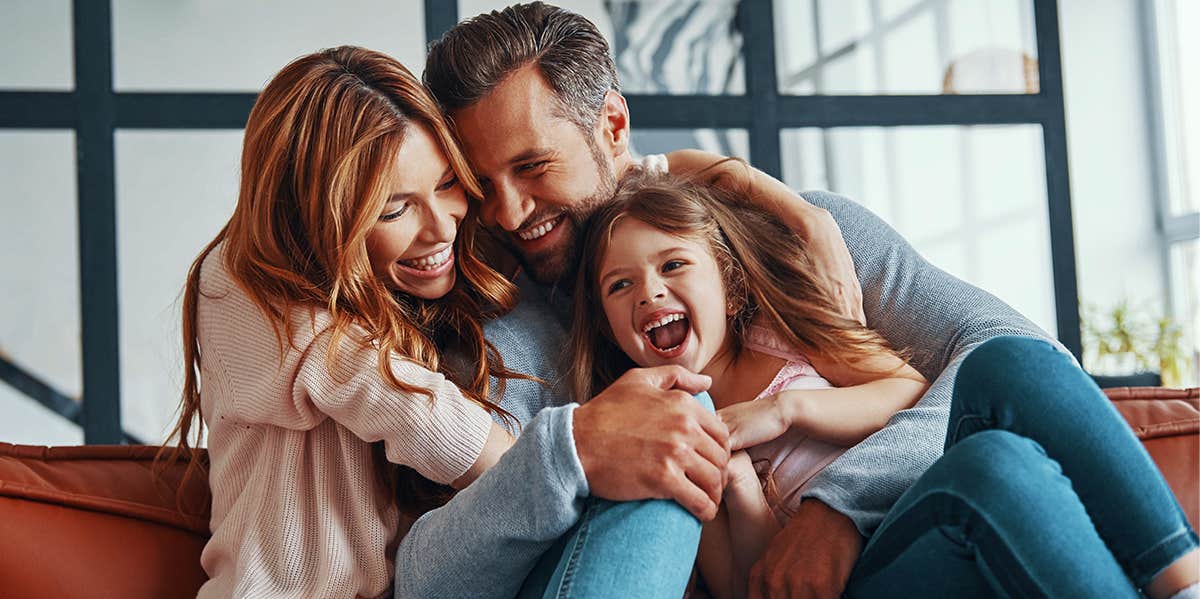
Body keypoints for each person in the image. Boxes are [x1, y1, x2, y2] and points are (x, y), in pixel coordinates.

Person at [401, 2, 1199, 597]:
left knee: (999, 460)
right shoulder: (492, 336)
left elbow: (1015, 367)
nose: (507, 212)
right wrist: (572, 445)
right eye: (481, 184)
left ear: (612, 126)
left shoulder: (793, 236)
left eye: (534, 167)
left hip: (919, 536)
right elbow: (430, 569)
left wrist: (837, 506)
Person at [162, 46, 716, 598]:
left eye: (448, 183)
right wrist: (578, 452)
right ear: (317, 215)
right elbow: (403, 405)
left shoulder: (403, 278)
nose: (441, 230)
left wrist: (729, 180)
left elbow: (611, 182)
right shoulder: (242, 281)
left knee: (676, 413)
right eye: (394, 208)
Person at [569, 173, 929, 599]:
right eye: (620, 285)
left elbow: (911, 390)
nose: (648, 293)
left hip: (908, 519)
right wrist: (740, 485)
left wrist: (784, 409)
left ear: (730, 286)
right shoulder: (668, 440)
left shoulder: (783, 337)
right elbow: (743, 589)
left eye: (673, 265)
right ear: (610, 332)